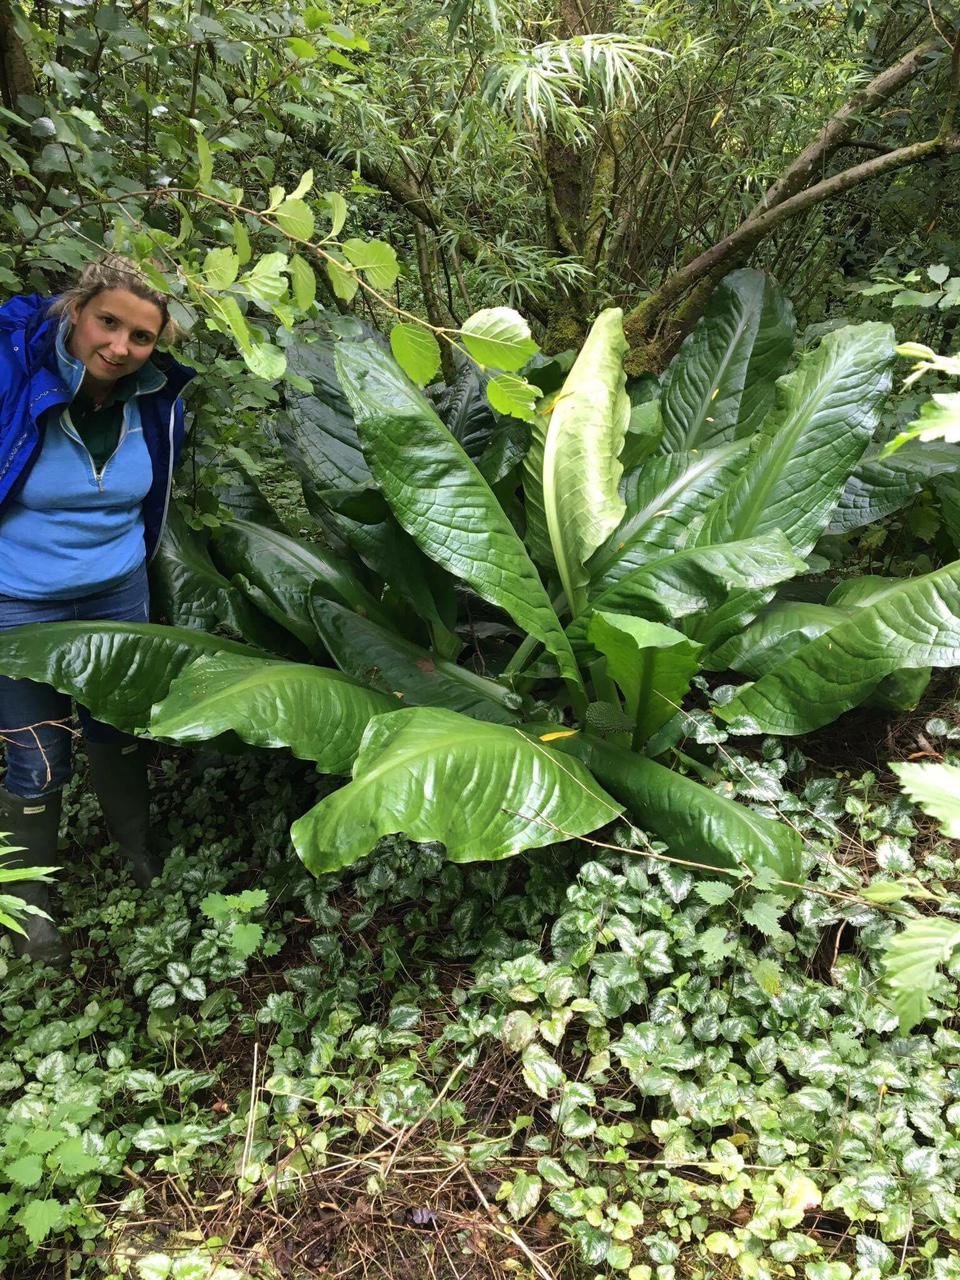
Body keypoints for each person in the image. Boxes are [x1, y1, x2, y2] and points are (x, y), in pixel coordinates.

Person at [0, 254, 195, 963]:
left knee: (117, 733)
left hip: (117, 593)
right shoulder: (18, 378)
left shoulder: (155, 397)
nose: (119, 347)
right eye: (107, 323)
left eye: (140, 336)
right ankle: (29, 905)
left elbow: (153, 494)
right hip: (16, 601)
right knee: (38, 759)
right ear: (77, 311)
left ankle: (138, 853)